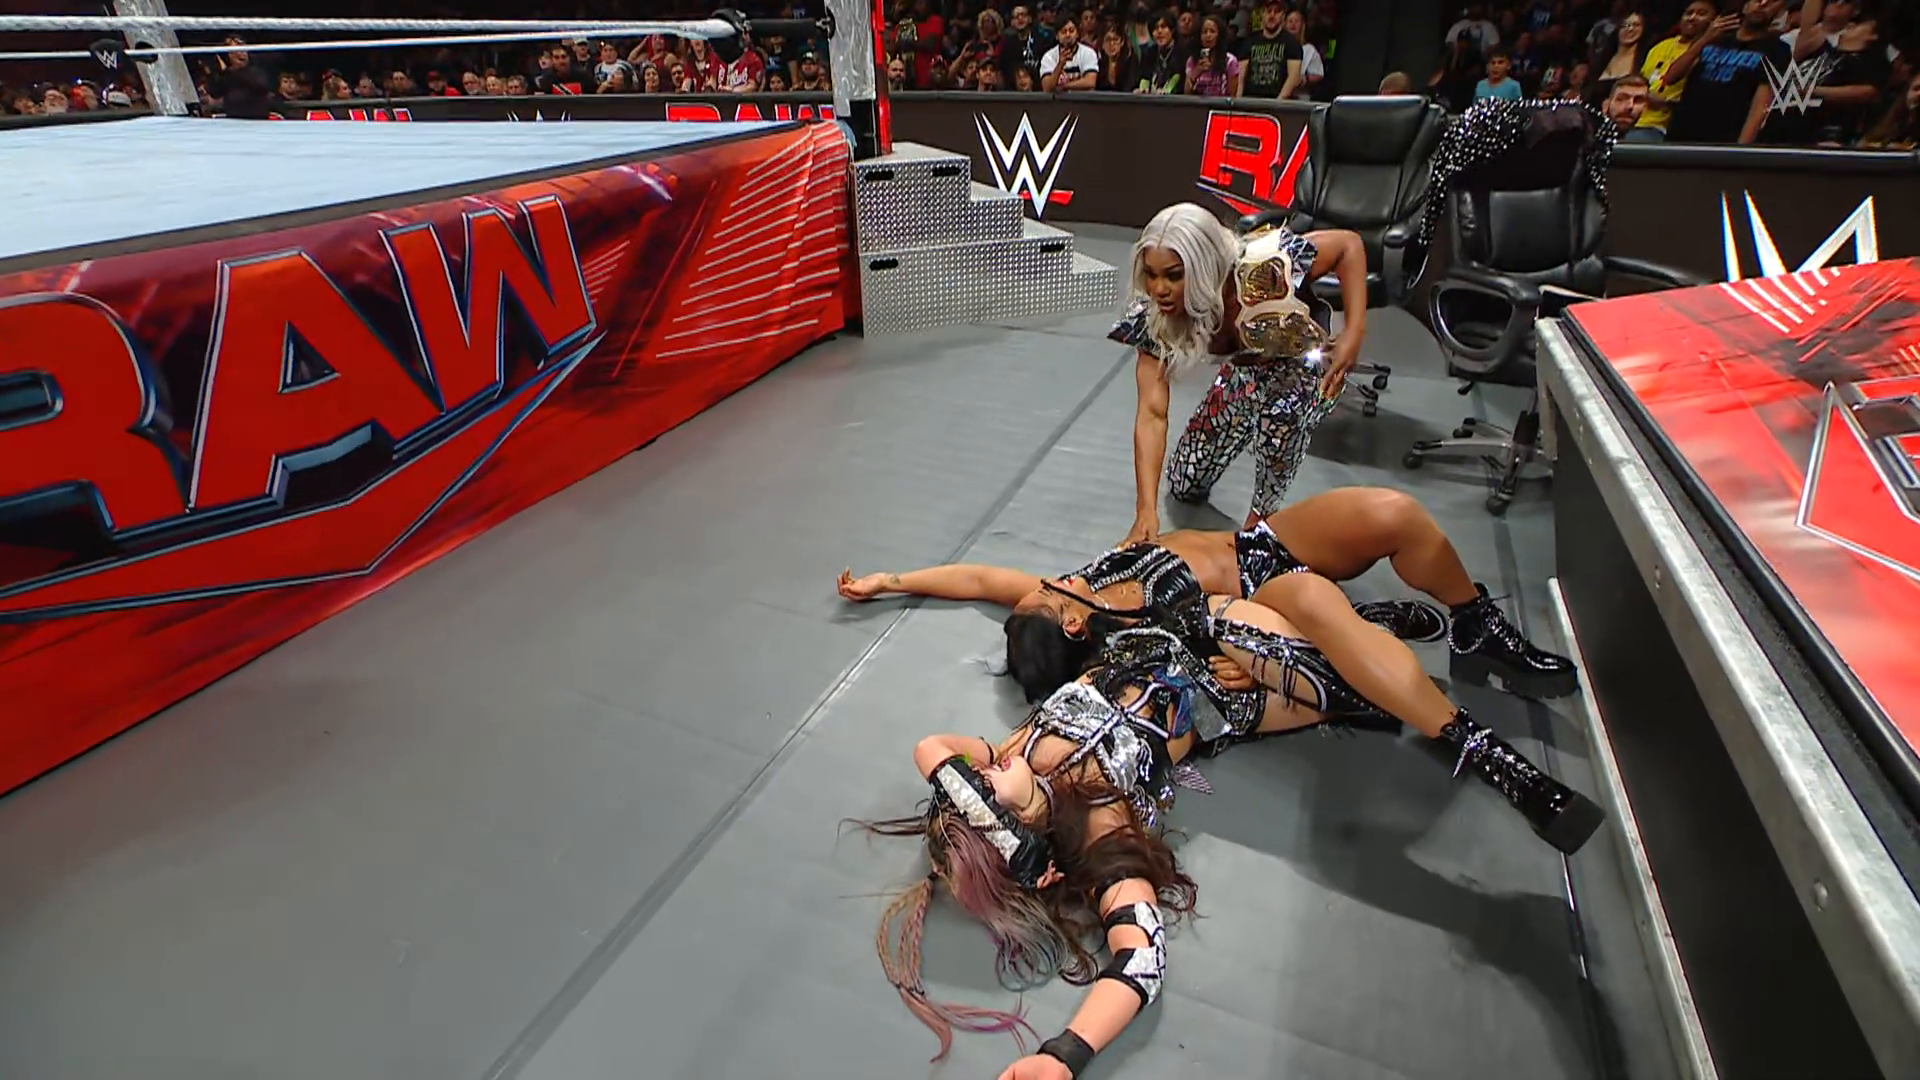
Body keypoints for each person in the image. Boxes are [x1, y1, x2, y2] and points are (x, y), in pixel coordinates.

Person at [869, 598, 1605, 1077]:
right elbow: (1140, 960)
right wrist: (1066, 1054)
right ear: (1025, 838)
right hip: (1226, 695)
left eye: (973, 787)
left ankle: (1358, 628)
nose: (983, 774)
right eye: (987, 797)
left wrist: (972, 790)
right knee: (1339, 665)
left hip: (1156, 632)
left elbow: (931, 747)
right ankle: (1446, 715)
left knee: (1281, 602)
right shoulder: (1099, 831)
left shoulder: (1012, 757)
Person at [838, 486, 1580, 701]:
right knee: (1330, 624)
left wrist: (890, 580)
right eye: (1053, 598)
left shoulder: (1071, 591)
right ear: (1073, 627)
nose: (1051, 583)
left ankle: (1474, 625)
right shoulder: (1129, 636)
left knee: (1396, 515)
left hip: (1263, 543)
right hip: (1270, 593)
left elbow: (976, 579)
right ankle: (1362, 623)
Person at [1112, 204, 1367, 545]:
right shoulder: (1155, 317)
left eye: (1173, 275)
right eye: (1151, 274)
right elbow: (1152, 414)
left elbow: (1348, 245)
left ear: (1204, 266)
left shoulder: (1269, 264)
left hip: (1303, 369)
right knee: (1185, 481)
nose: (1159, 289)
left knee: (1283, 409)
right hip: (1245, 370)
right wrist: (1146, 511)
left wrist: (1354, 332)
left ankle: (1262, 519)